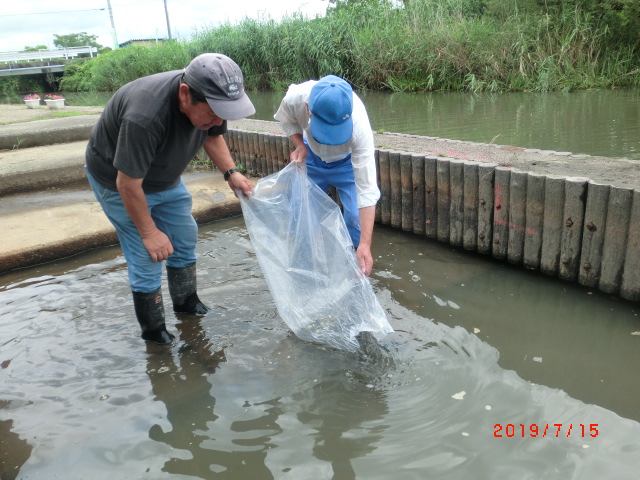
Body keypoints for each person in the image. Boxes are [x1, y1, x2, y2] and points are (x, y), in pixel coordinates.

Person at [85, 53, 256, 345]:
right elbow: (128, 185)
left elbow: (212, 135)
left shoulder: (212, 97)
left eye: (223, 114)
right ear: (185, 94)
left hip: (165, 177)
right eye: (213, 113)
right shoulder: (144, 116)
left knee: (183, 236)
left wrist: (231, 172)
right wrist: (150, 232)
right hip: (120, 183)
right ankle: (154, 333)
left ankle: (186, 304)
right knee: (147, 255)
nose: (218, 120)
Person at [274, 75, 380, 277]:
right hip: (312, 159)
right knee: (300, 217)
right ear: (308, 108)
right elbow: (287, 120)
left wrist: (366, 245)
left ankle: (355, 269)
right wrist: (299, 145)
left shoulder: (359, 125)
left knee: (355, 219)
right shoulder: (295, 98)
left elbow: (366, 189)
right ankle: (303, 271)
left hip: (346, 164)